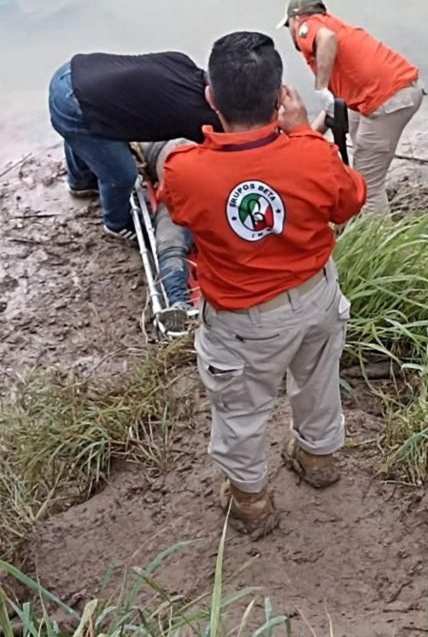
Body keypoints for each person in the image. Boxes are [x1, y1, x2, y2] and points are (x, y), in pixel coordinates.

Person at [158, 30, 367, 538]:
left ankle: (250, 500)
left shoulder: (187, 170)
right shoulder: (312, 154)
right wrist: (303, 135)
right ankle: (318, 461)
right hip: (316, 296)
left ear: (211, 98)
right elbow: (350, 201)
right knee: (317, 383)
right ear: (281, 97)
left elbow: (176, 206)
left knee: (241, 408)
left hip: (243, 321)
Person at [278, 0, 424, 218]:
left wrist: (320, 87)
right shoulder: (338, 33)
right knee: (354, 129)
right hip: (400, 89)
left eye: (289, 25)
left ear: (296, 19)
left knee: (366, 184)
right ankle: (364, 205)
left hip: (388, 100)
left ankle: (379, 245)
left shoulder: (307, 27)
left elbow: (326, 39)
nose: (292, 31)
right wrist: (301, 138)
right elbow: (333, 109)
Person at [47, 51, 220, 240]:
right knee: (122, 176)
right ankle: (116, 223)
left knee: (84, 138)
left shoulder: (182, 62)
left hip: (73, 73)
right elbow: (214, 159)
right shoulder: (200, 118)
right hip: (75, 104)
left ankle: (81, 182)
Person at [138, 138, 198, 335]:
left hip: (176, 167)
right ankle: (179, 302)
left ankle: (179, 302)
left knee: (170, 245)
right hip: (189, 164)